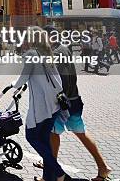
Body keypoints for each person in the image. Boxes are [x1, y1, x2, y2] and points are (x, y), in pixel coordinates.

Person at [34, 27, 112, 181]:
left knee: (52, 134)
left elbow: (60, 81)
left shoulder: (56, 54)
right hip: (74, 100)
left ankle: (49, 174)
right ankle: (103, 167)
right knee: (80, 132)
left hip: (61, 103)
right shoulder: (64, 49)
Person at [11, 30, 72, 181]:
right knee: (44, 141)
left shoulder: (31, 54)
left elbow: (22, 79)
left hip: (42, 106)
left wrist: (13, 85)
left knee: (31, 136)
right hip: (55, 104)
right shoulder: (47, 52)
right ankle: (47, 178)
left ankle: (59, 173)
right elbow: (56, 78)